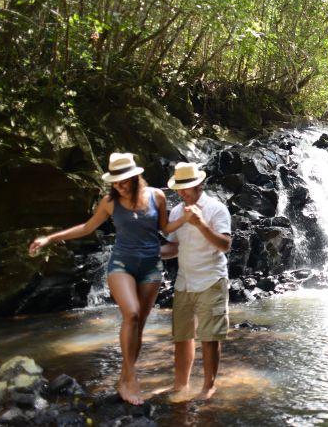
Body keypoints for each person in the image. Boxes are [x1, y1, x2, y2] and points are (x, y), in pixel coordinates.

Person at [29, 152, 179, 405]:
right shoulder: (109, 202)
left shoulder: (157, 196)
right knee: (130, 314)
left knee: (139, 324)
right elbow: (87, 228)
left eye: (124, 180)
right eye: (115, 181)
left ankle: (124, 376)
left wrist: (191, 232)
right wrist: (50, 238)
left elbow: (165, 228)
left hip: (151, 267)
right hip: (121, 264)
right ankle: (130, 378)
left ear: (135, 177)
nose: (119, 185)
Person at [161, 162, 232, 400]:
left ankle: (208, 386)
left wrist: (200, 223)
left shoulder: (216, 209)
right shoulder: (176, 212)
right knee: (182, 336)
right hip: (184, 282)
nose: (182, 193)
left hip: (211, 279)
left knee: (210, 337)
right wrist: (148, 252)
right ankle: (181, 385)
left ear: (200, 184)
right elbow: (173, 247)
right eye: (179, 189)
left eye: (187, 187)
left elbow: (225, 245)